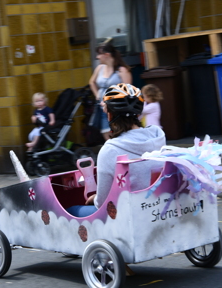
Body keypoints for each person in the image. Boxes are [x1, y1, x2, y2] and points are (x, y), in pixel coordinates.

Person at [68, 83, 166, 218]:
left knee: (72, 210)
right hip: (159, 208)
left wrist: (94, 198)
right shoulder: (158, 137)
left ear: (110, 115)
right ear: (138, 113)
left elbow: (102, 203)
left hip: (127, 216)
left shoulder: (110, 150)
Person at [88, 40, 132, 141]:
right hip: (102, 106)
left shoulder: (121, 70)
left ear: (106, 55)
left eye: (99, 54)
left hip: (116, 107)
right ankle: (114, 154)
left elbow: (128, 90)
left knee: (118, 132)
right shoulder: (99, 68)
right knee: (105, 132)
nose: (97, 57)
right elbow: (92, 82)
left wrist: (114, 100)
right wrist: (98, 96)